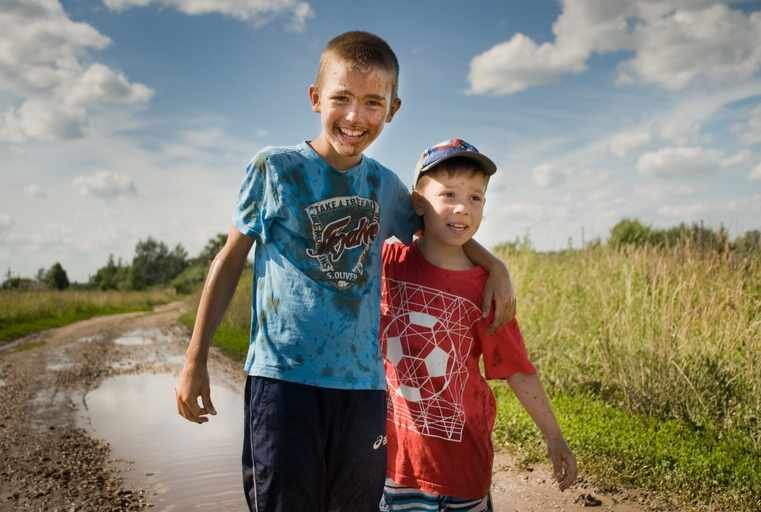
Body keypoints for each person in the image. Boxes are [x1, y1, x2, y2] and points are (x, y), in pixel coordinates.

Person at [174, 32, 516, 512]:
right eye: (342, 99)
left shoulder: (383, 185)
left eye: (373, 103)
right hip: (284, 382)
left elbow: (438, 230)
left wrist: (494, 264)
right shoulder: (275, 169)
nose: (356, 117)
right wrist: (195, 361)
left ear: (393, 109)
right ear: (316, 98)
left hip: (362, 388)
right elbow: (230, 259)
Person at [379, 138, 577, 512]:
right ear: (418, 200)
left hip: (463, 469)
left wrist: (554, 437)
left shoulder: (486, 288)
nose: (462, 208)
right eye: (448, 193)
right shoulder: (388, 261)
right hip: (395, 467)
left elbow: (518, 370)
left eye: (476, 198)